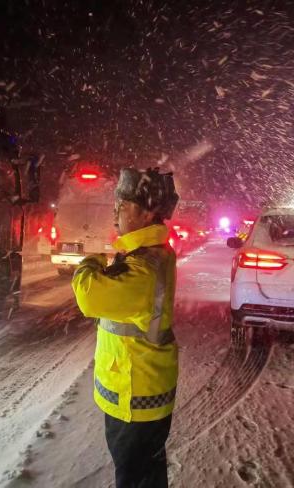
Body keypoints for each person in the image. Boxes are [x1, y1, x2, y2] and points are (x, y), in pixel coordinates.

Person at [71, 167, 180, 488]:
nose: (116, 208)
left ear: (148, 213)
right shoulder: (144, 255)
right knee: (146, 473)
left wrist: (89, 262)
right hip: (138, 390)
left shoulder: (143, 268)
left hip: (135, 397)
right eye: (117, 201)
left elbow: (89, 297)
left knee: (133, 478)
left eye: (125, 203)